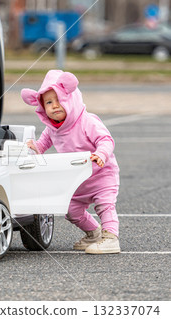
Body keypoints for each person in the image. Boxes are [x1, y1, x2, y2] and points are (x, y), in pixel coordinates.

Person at [21, 70, 120, 254]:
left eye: (59, 100)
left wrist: (101, 154)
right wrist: (34, 148)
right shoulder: (52, 128)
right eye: (49, 102)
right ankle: (94, 233)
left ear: (71, 99)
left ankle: (111, 238)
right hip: (77, 179)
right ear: (42, 107)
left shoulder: (87, 121)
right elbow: (43, 144)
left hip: (101, 174)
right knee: (71, 211)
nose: (55, 106)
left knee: (105, 205)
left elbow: (106, 140)